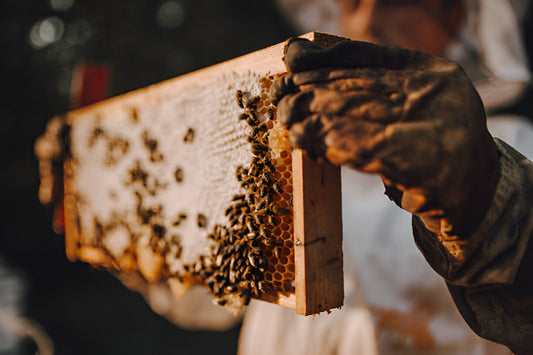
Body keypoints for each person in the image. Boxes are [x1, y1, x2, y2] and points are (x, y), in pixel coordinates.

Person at [109, 0, 533, 354]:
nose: (366, 22)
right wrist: (125, 230)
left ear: (455, 15)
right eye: (352, 3)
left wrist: (484, 198)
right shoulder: (285, 149)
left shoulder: (517, 144)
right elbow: (208, 298)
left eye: (395, 0)